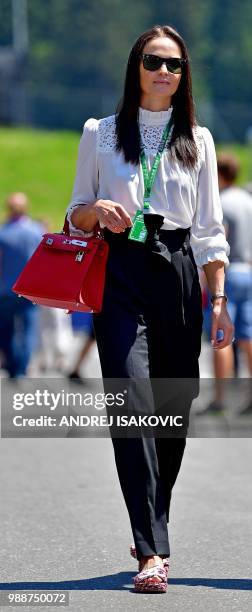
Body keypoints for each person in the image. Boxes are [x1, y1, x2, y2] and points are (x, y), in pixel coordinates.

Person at [66, 25, 233, 593]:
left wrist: (218, 300)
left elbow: (211, 229)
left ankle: (152, 520)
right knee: (133, 400)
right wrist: (97, 211)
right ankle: (150, 548)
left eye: (175, 64)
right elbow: (74, 215)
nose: (164, 71)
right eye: (154, 60)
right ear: (135, 65)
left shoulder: (199, 140)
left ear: (184, 75)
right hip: (120, 270)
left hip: (180, 271)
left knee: (173, 405)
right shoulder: (101, 133)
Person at [202, 153, 252, 415]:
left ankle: (220, 399)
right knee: (248, 337)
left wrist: (206, 282)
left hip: (229, 273)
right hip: (249, 271)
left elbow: (217, 243)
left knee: (221, 336)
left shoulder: (221, 203)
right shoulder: (248, 200)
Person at [0, 192, 42, 378]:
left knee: (6, 330)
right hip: (29, 289)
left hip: (5, 289)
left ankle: (11, 364)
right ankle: (22, 368)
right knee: (28, 330)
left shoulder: (3, 233)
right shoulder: (37, 231)